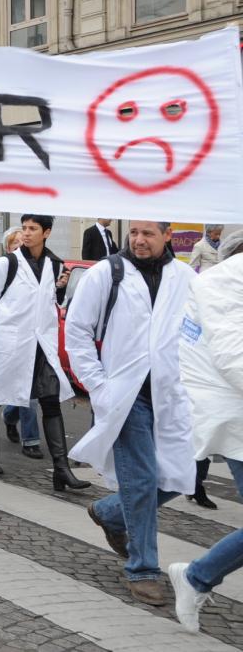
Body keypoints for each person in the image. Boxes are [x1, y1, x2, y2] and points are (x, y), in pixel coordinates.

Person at [66, 221, 195, 607]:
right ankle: (143, 570)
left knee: (181, 475)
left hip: (172, 395)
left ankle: (109, 512)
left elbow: (200, 332)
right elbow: (77, 331)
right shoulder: (107, 273)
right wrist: (99, 387)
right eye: (133, 232)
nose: (138, 240)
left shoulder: (186, 277)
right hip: (126, 395)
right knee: (139, 481)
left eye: (148, 234)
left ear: (167, 235)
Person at [0, 214, 89, 491]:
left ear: (46, 232)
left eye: (32, 229)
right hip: (9, 340)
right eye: (24, 228)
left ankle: (61, 469)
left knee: (50, 399)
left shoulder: (56, 264)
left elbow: (51, 301)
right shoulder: (7, 263)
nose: (26, 233)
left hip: (42, 342)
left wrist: (60, 290)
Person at [169, 229, 243, 632]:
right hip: (233, 414)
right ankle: (196, 576)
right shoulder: (226, 281)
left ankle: (196, 576)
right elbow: (234, 357)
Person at [0, 226, 42, 458]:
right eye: (15, 245)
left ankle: (30, 439)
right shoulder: (4, 268)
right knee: (22, 389)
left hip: (34, 339)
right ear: (8, 249)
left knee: (30, 392)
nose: (20, 249)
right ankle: (12, 417)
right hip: (11, 338)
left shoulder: (40, 268)